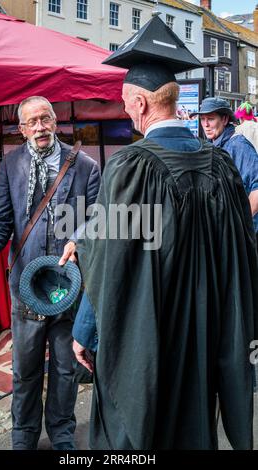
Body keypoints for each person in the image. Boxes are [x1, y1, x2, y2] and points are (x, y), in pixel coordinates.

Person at [71, 15, 258, 450]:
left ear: (138, 104)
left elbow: (110, 257)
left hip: (154, 336)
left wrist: (86, 329)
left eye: (124, 103)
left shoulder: (131, 167)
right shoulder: (222, 165)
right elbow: (242, 252)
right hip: (210, 334)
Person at [0, 96, 100, 450]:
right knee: (25, 370)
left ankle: (62, 432)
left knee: (66, 370)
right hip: (26, 286)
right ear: (22, 130)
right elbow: (1, 223)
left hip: (68, 288)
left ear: (55, 122)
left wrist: (79, 240)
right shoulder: (11, 166)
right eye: (32, 122)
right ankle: (23, 435)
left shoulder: (85, 166)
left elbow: (96, 220)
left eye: (45, 119)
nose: (40, 127)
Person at [191, 97, 258, 237]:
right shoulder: (218, 145)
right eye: (203, 119)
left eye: (210, 118)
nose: (206, 124)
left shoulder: (237, 145)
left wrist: (241, 225)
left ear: (225, 120)